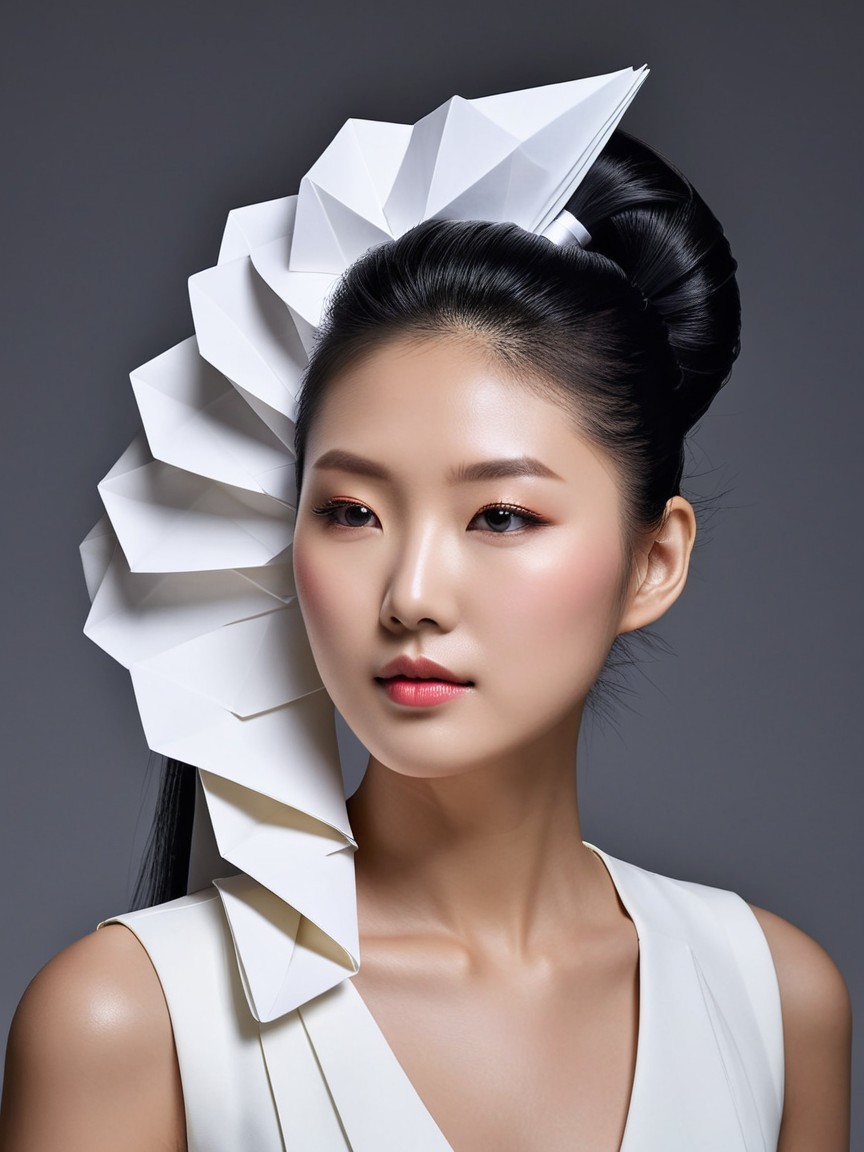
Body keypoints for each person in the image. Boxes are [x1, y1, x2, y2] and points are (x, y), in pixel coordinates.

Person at [0, 71, 851, 1151]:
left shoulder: (775, 999)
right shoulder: (126, 1022)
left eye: (499, 517)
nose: (410, 595)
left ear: (654, 559)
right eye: (352, 511)